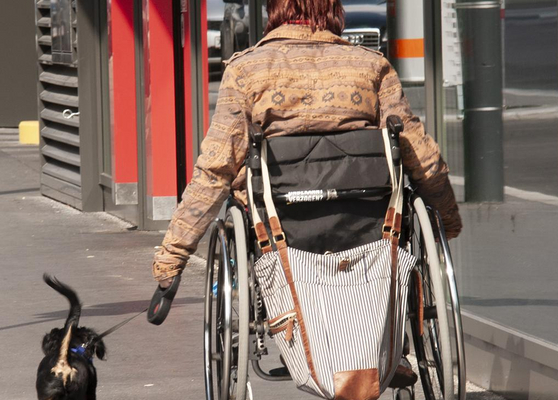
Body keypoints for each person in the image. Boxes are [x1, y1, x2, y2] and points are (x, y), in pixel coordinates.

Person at [152, 0, 462, 388]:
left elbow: (214, 170)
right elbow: (421, 154)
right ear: (334, 10)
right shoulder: (370, 66)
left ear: (273, 11)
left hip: (282, 228)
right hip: (370, 224)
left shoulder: (246, 70)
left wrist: (170, 265)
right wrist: (447, 220)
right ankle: (382, 350)